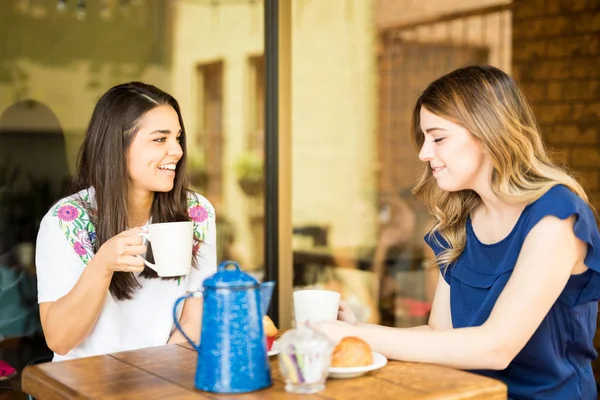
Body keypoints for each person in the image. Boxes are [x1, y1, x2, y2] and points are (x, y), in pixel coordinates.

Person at [315, 65, 600, 399]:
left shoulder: (556, 215)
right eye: (424, 139)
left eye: (438, 138)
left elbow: (497, 347)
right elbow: (441, 332)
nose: (424, 153)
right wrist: (354, 331)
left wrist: (362, 338)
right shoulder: (461, 219)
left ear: (488, 133)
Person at [35, 82, 217, 361]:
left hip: (162, 377)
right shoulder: (66, 221)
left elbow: (194, 321)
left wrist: (152, 379)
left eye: (177, 138)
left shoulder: (195, 212)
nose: (177, 151)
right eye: (160, 139)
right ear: (117, 147)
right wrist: (103, 263)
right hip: (83, 384)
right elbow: (60, 339)